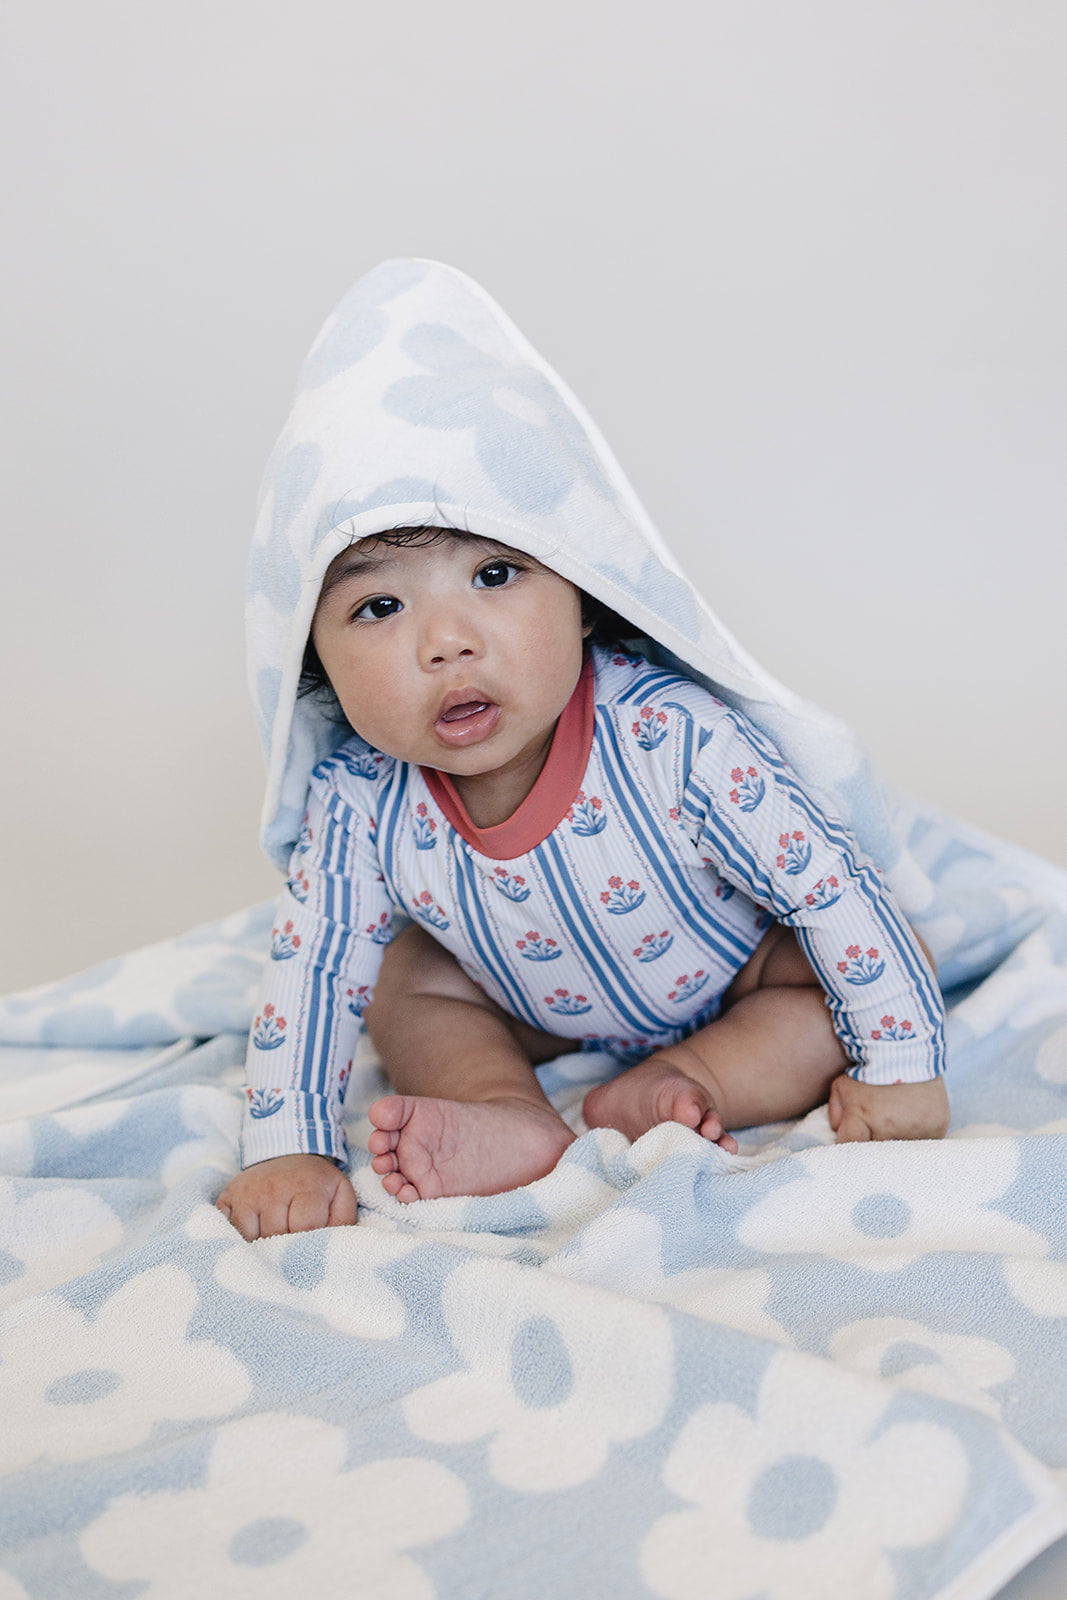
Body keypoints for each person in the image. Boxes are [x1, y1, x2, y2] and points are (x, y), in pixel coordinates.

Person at [215, 260, 948, 1241]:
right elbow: (313, 970)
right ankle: (507, 1111)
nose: (445, 640)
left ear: (583, 586)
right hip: (527, 1003)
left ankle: (686, 1080)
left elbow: (825, 885)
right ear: (311, 658)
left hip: (733, 975)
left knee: (845, 975)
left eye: (493, 571)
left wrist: (898, 1065)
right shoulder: (358, 800)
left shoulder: (669, 737)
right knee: (402, 986)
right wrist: (289, 1144)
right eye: (379, 605)